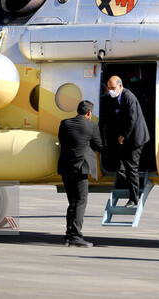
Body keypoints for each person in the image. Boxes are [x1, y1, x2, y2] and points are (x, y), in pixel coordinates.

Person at [99, 75, 150, 208]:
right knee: (118, 160)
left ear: (120, 86)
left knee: (132, 167)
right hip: (126, 138)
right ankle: (124, 180)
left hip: (136, 138)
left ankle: (134, 199)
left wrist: (123, 135)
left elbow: (131, 119)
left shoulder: (128, 97)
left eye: (113, 88)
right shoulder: (114, 97)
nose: (111, 90)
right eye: (109, 88)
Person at [58, 100, 102, 247]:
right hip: (81, 169)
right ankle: (76, 236)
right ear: (89, 113)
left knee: (72, 203)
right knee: (81, 201)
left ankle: (68, 236)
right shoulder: (91, 126)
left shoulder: (65, 124)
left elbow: (62, 141)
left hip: (66, 168)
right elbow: (99, 146)